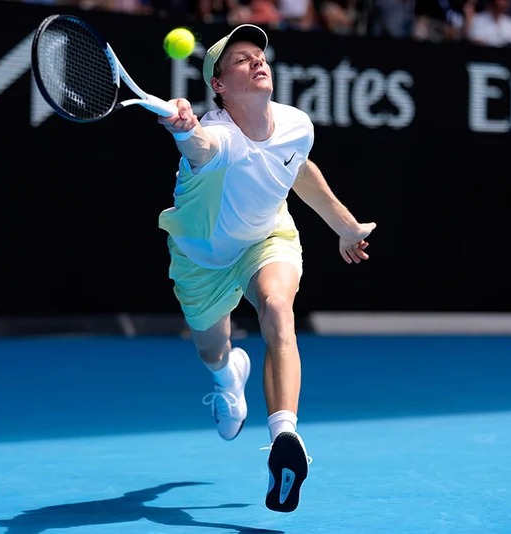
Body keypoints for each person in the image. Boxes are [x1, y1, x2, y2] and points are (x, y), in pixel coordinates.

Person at [156, 24, 377, 513]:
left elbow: (297, 168)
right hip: (201, 259)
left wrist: (344, 225)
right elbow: (202, 149)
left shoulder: (296, 123)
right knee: (212, 351)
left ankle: (285, 439)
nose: (257, 61)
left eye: (259, 54)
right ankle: (227, 378)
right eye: (240, 59)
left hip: (265, 238)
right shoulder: (216, 134)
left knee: (278, 308)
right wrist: (185, 130)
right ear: (219, 85)